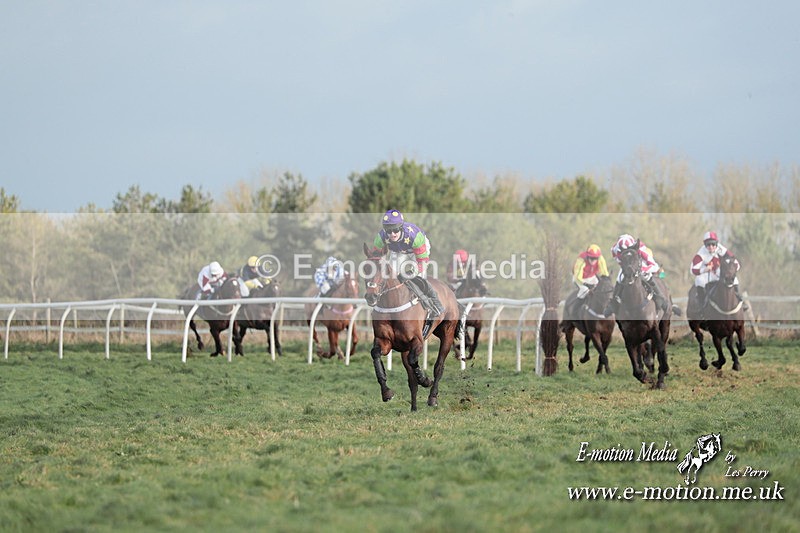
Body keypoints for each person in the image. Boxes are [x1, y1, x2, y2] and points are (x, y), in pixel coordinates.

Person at [370, 209, 445, 323]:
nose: (392, 234)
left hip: (418, 252)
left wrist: (411, 273)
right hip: (398, 251)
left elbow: (423, 261)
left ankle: (435, 303)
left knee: (419, 278)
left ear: (401, 227)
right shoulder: (380, 237)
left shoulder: (415, 236)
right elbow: (375, 258)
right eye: (388, 231)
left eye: (395, 230)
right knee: (391, 276)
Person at [603, 234, 668, 316]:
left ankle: (660, 298)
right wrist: (626, 267)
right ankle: (613, 304)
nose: (627, 252)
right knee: (619, 279)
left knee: (647, 277)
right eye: (624, 251)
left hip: (640, 265)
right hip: (627, 265)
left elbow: (655, 267)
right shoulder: (615, 249)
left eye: (629, 250)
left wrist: (643, 269)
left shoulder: (641, 249)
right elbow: (618, 260)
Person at [690, 231, 745, 309]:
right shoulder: (700, 254)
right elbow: (692, 270)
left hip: (719, 272)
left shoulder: (721, 249)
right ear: (705, 244)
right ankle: (701, 303)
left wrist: (733, 270)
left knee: (734, 279)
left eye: (713, 244)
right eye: (708, 244)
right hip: (707, 273)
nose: (711, 247)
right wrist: (704, 269)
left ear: (716, 243)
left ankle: (738, 297)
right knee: (699, 280)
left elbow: (734, 261)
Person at [566, 244, 609, 318]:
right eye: (591, 258)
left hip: (592, 277)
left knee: (601, 289)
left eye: (595, 258)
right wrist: (586, 284)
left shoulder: (601, 259)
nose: (593, 260)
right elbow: (577, 276)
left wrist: (606, 281)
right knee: (585, 290)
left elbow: (604, 272)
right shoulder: (581, 260)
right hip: (580, 279)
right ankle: (574, 312)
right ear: (587, 256)